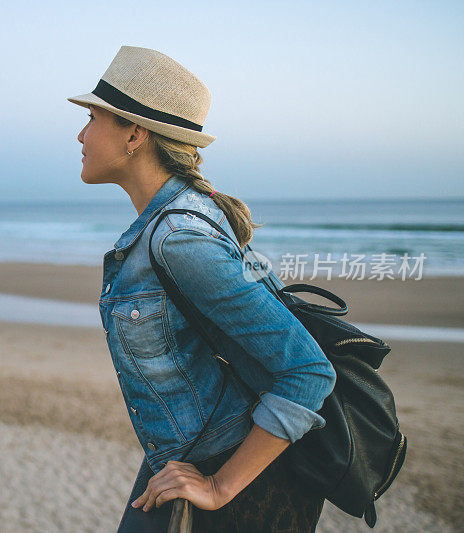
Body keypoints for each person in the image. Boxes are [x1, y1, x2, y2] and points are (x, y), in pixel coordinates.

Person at [67, 46, 337, 532]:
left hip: (226, 473)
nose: (80, 134)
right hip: (177, 458)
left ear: (135, 133)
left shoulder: (180, 239)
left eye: (92, 117)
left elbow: (308, 371)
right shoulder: (180, 218)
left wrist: (219, 487)